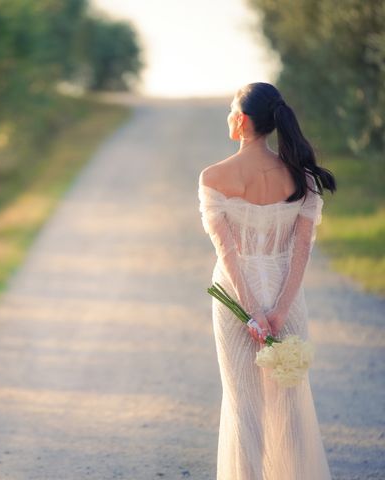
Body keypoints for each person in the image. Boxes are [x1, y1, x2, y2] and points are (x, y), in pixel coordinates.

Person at [198, 82, 336, 479]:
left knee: (244, 404)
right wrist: (278, 310)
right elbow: (302, 249)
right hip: (285, 293)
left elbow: (227, 253)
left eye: (230, 110)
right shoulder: (302, 177)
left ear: (241, 121)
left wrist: (252, 313)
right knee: (291, 403)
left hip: (234, 295)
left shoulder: (213, 177)